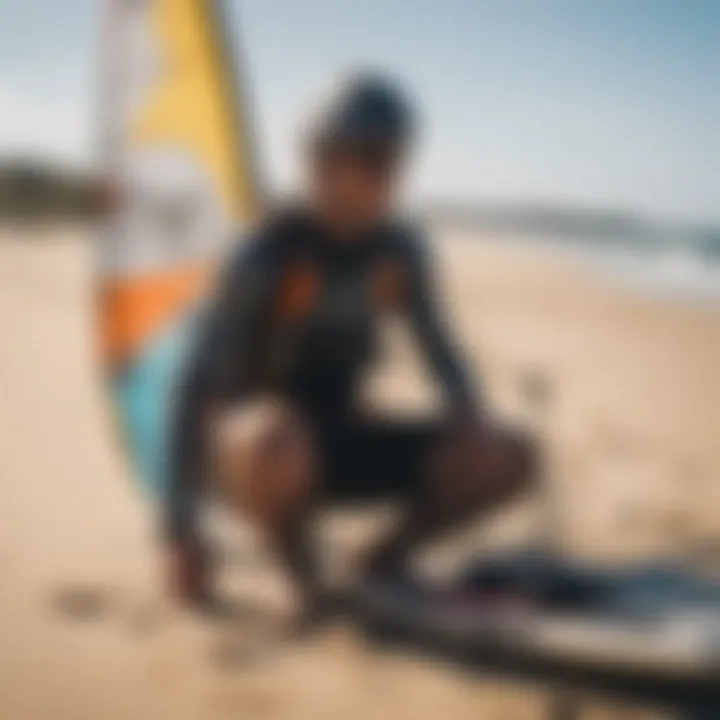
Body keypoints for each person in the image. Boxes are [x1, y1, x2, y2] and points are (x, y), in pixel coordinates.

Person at [165, 71, 536, 622]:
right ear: (321, 161)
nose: (387, 175)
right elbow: (196, 385)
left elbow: (442, 352)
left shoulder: (398, 250)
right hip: (256, 461)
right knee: (272, 435)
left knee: (510, 453)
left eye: (394, 158)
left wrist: (469, 416)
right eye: (371, 158)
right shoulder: (266, 251)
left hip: (339, 442)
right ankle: (299, 569)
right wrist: (180, 531)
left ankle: (380, 560)